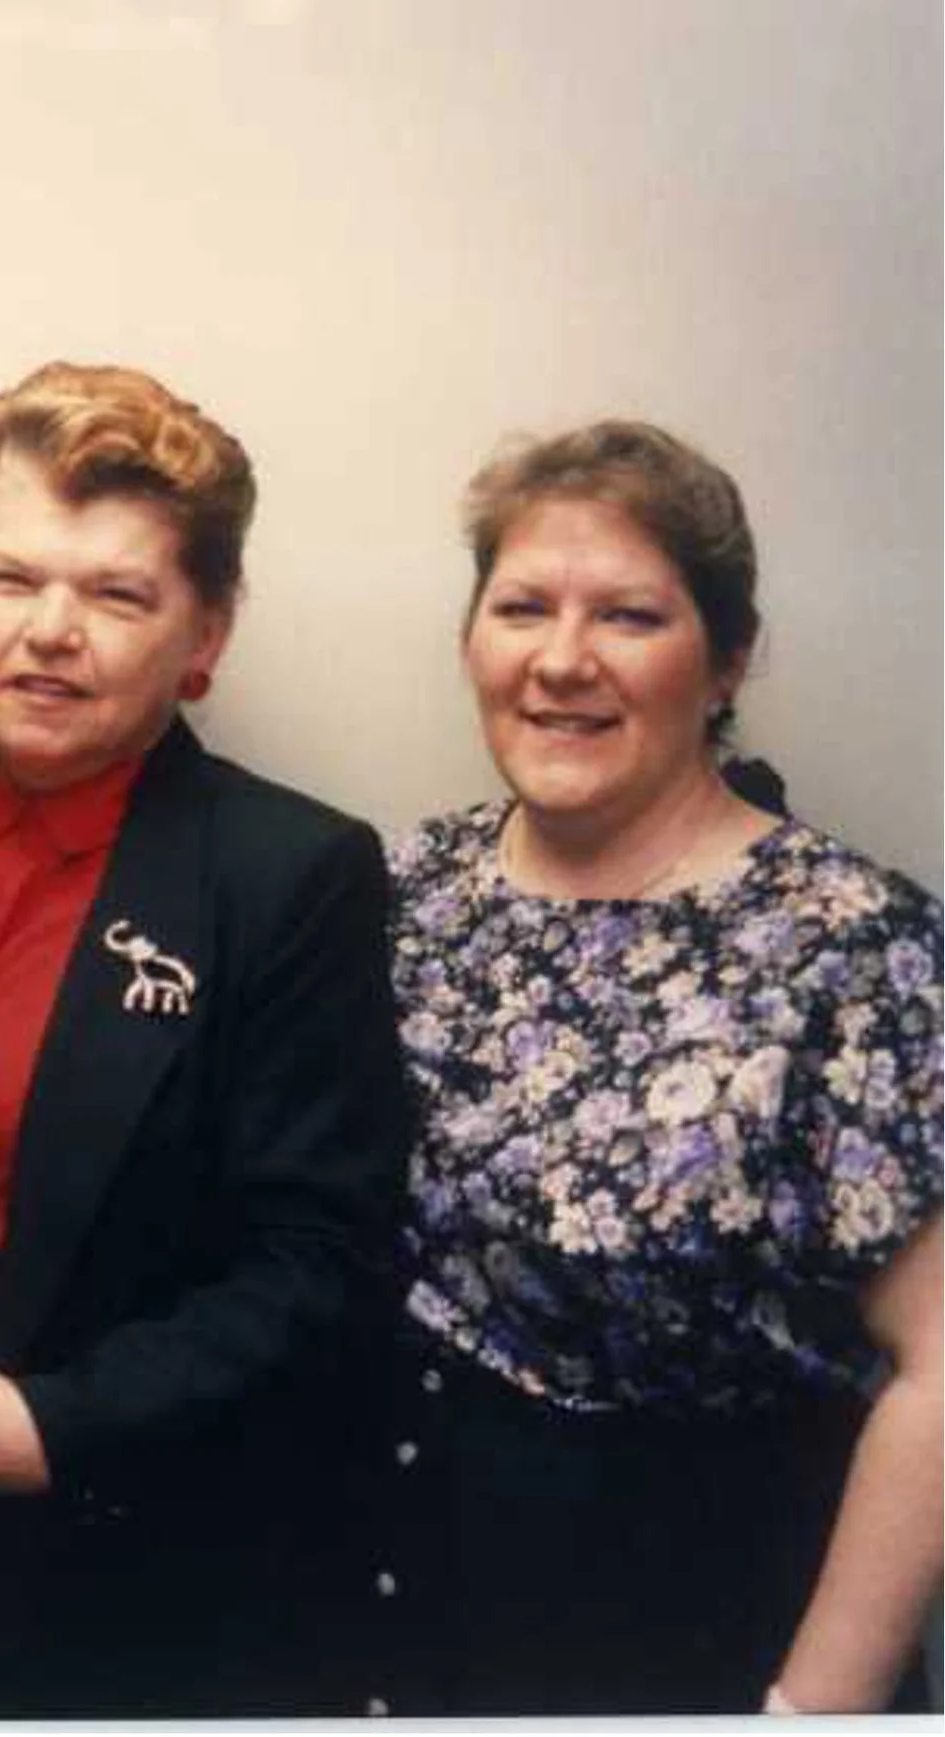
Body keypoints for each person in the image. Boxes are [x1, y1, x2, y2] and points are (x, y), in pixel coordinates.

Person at [0, 361, 410, 1716]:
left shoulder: (286, 875)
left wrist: (51, 1430)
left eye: (117, 595)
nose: (51, 631)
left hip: (81, 1551)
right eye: (14, 578)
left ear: (206, 634)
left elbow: (317, 1263)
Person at [371, 419, 940, 1715]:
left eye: (630, 616)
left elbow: (942, 1373)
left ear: (727, 658)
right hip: (407, 1610)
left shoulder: (851, 944)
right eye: (523, 606)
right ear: (473, 639)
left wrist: (812, 1712)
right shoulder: (400, 890)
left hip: (700, 1631)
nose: (563, 661)